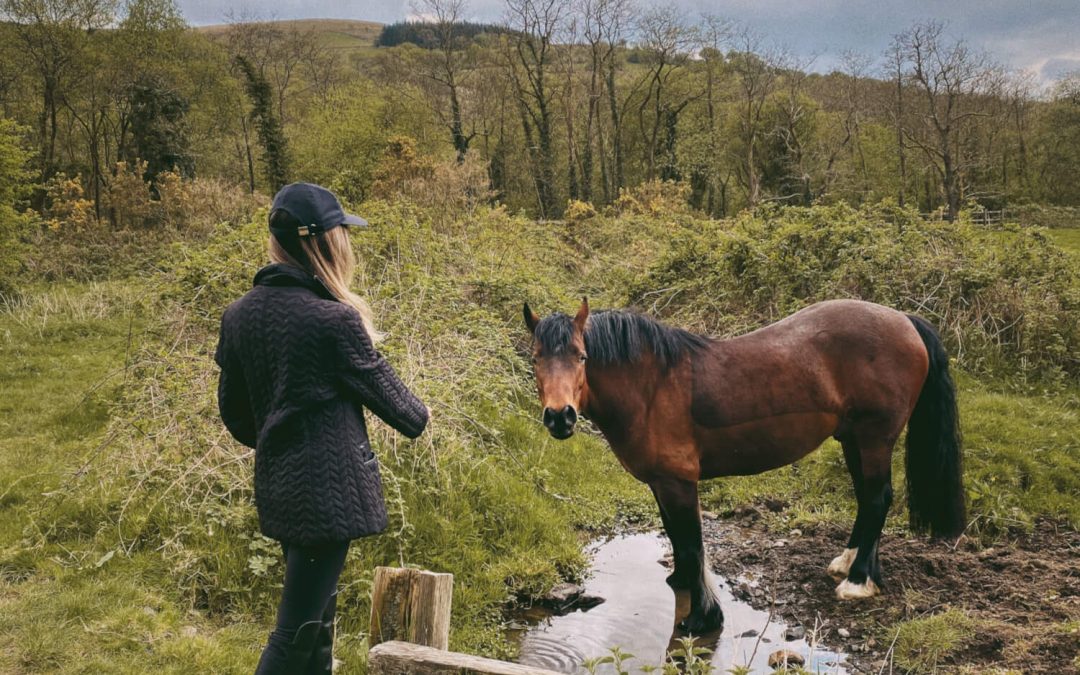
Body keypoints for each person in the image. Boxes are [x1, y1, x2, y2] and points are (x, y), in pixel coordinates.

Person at [214, 182, 430, 674]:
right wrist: (424, 413)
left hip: (281, 487)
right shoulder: (334, 321)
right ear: (326, 244)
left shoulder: (239, 315)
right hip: (328, 497)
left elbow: (236, 414)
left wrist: (282, 438)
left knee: (318, 626)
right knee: (294, 633)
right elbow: (406, 414)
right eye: (342, 235)